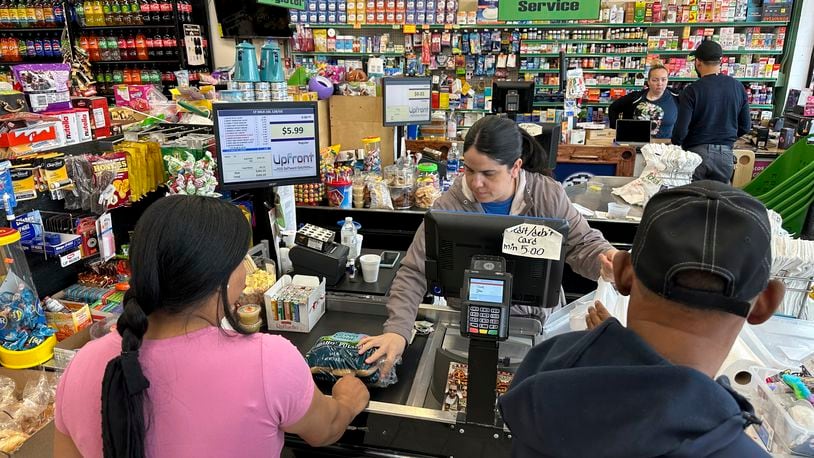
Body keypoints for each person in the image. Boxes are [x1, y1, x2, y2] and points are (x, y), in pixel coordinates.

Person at [54, 196, 370, 458]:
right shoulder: (269, 360)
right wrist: (347, 401)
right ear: (220, 276)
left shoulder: (82, 365)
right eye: (241, 261)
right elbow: (325, 430)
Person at [499, 180, 784, 457]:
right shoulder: (732, 445)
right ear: (765, 305)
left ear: (622, 273)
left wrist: (609, 343)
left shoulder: (543, 366)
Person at [359, 116, 619, 376]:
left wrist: (606, 260)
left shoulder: (546, 195)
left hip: (535, 326)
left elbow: (583, 244)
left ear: (516, 167)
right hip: (467, 325)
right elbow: (414, 271)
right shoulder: (448, 206)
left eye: (488, 173)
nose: (476, 183)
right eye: (469, 170)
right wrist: (397, 330)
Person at [671, 40, 752, 183]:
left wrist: (676, 144)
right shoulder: (738, 87)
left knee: (693, 199)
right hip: (725, 156)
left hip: (696, 155)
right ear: (720, 61)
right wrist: (726, 137)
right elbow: (745, 126)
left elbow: (681, 131)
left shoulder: (692, 90)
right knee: (718, 201)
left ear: (698, 62)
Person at [608, 64, 679, 139]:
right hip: (636, 145)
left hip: (665, 146)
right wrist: (617, 131)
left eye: (663, 79)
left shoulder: (677, 97)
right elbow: (613, 108)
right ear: (648, 81)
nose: (660, 83)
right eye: (655, 80)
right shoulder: (635, 98)